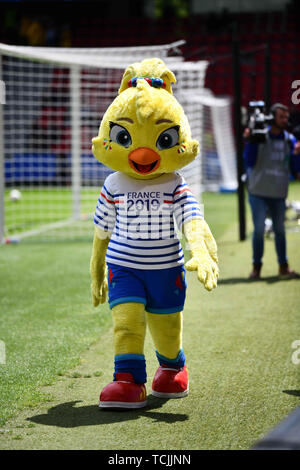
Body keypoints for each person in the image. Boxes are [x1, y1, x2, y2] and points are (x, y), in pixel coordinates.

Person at [243, 103, 300, 279]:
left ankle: (283, 266)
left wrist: (297, 155)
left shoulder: (289, 140)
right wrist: (251, 141)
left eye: (286, 117)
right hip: (258, 192)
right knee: (259, 230)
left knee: (280, 230)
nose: (285, 120)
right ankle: (256, 267)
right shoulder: (259, 136)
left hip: (278, 194)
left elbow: (295, 170)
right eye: (281, 117)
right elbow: (249, 162)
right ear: (272, 117)